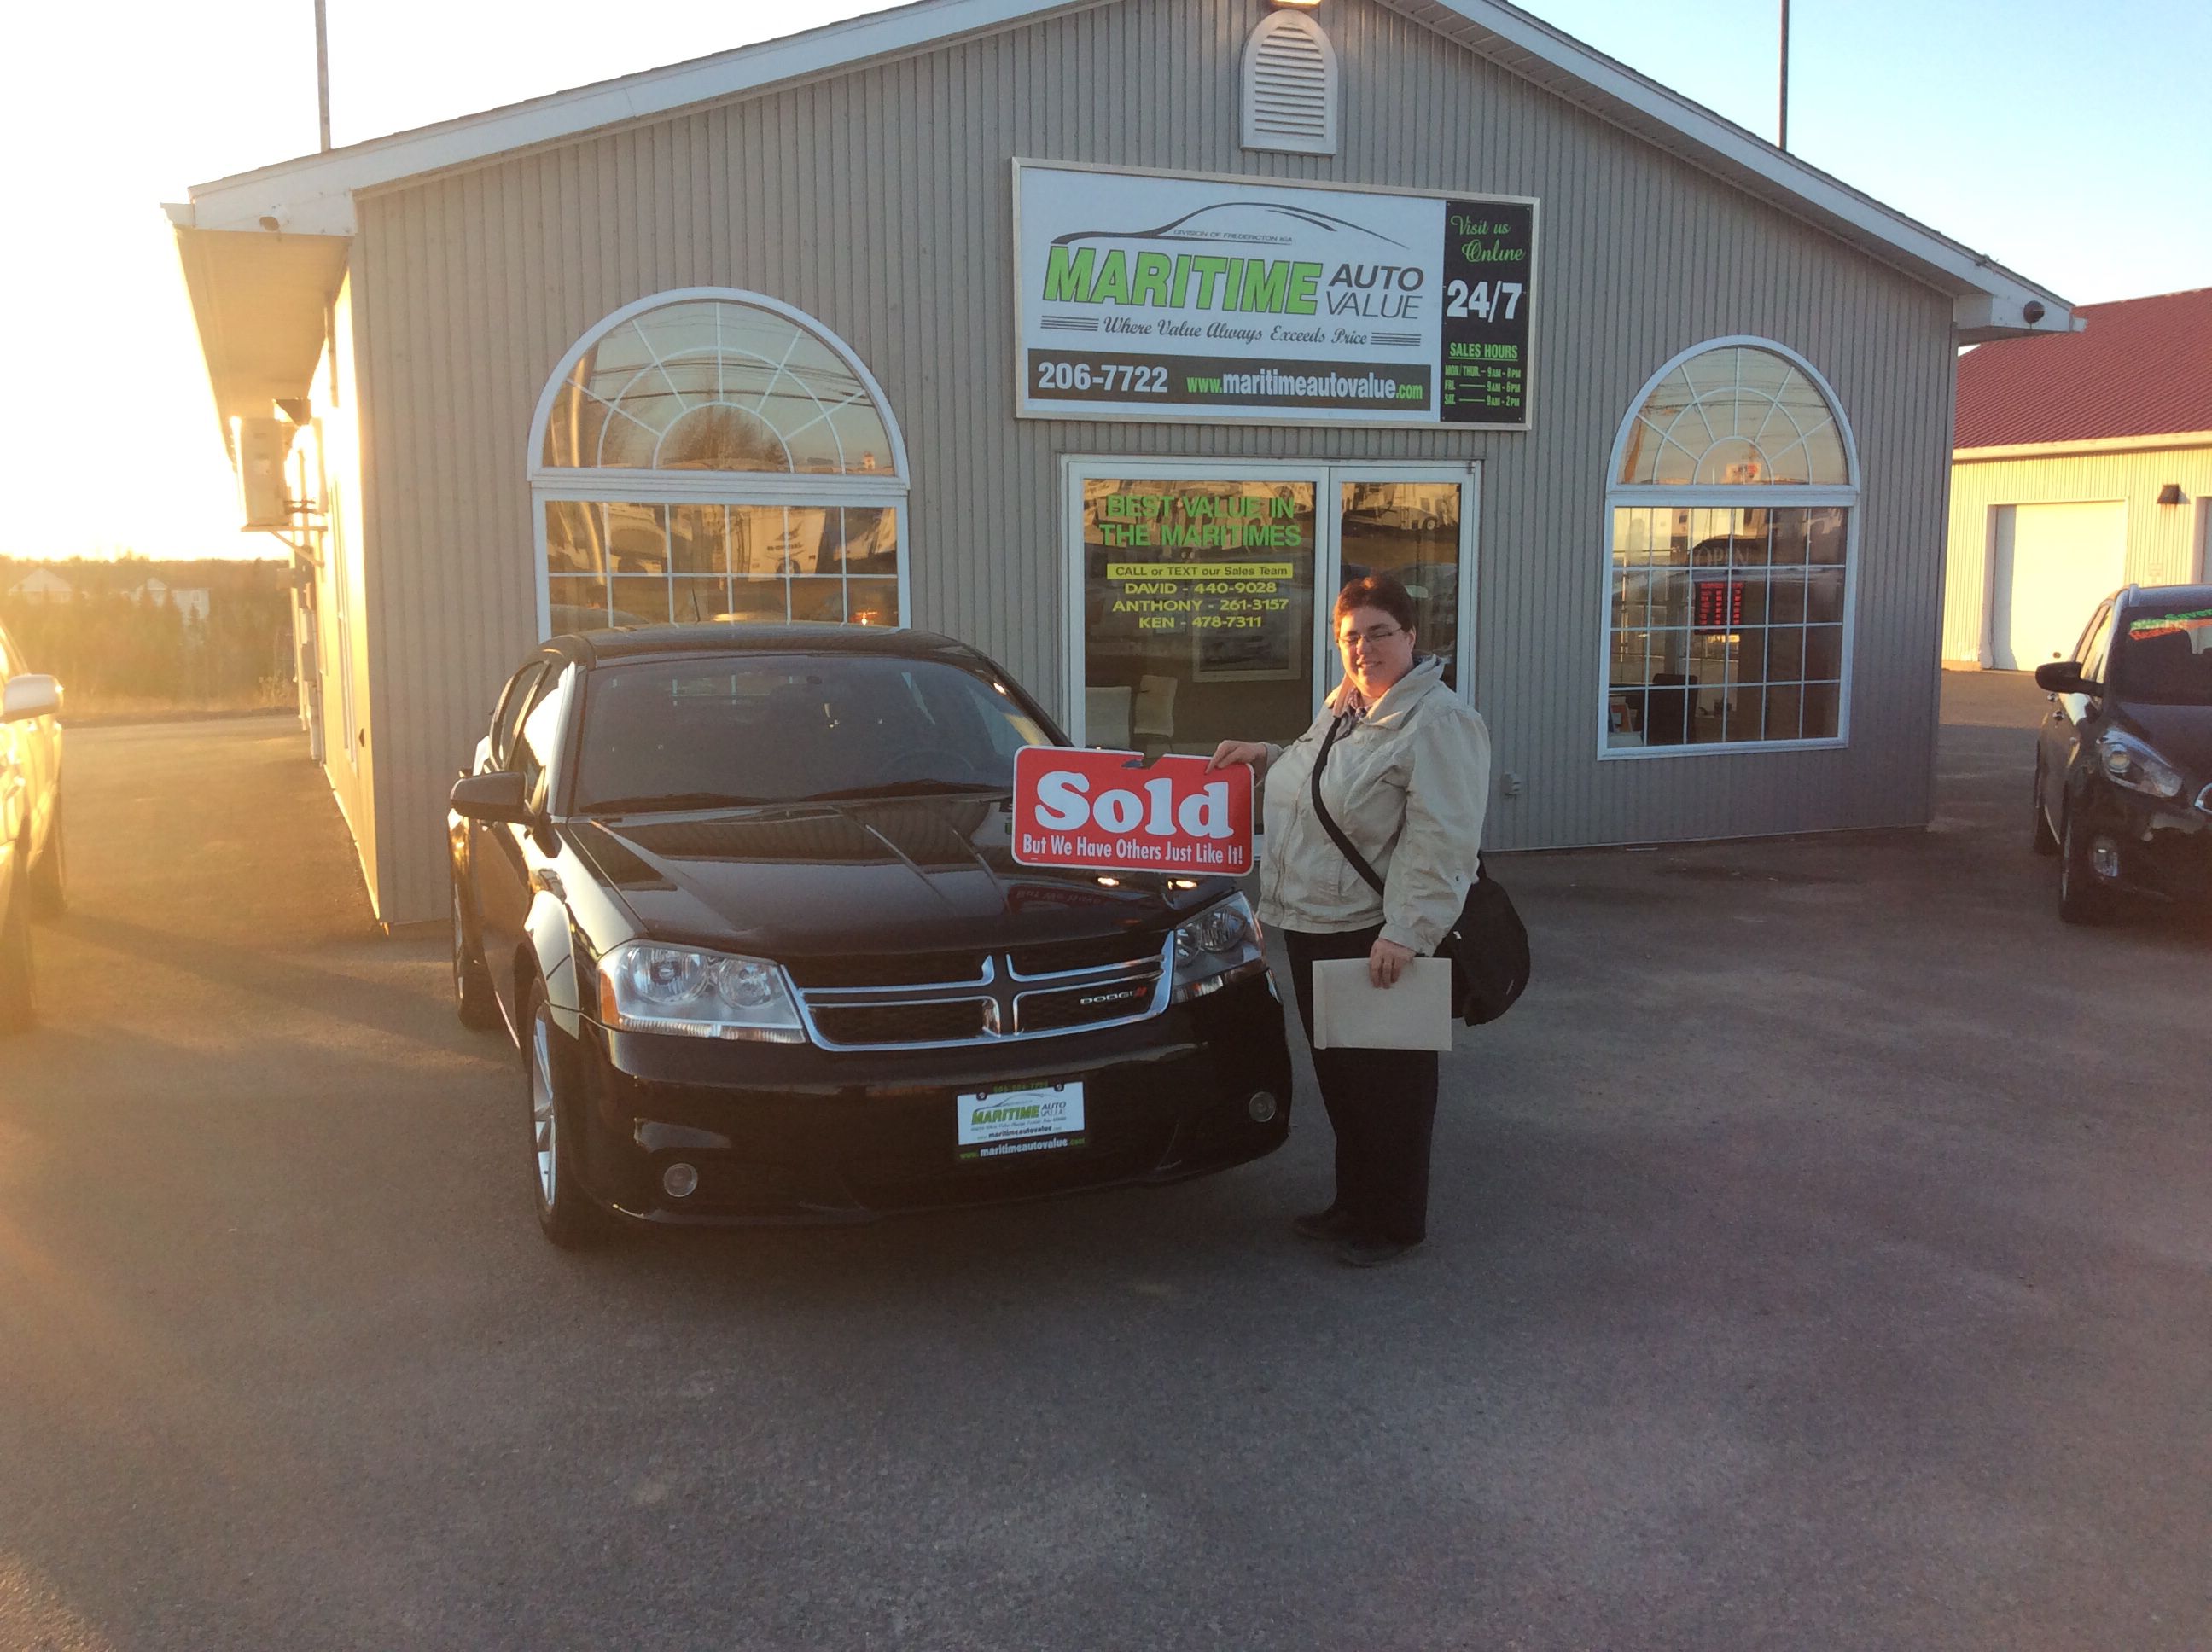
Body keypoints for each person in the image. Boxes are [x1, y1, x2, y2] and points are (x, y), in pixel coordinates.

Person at [1209, 574, 1490, 1268]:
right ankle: (1354, 1202)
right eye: (1350, 637)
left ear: (1411, 636)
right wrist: (1268, 758)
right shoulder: (1346, 706)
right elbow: (1327, 782)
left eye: (1378, 633)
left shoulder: (1437, 721)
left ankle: (1394, 1222)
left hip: (1374, 932)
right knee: (1341, 1079)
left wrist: (1407, 932)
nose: (1363, 648)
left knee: (1389, 1087)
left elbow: (1443, 840)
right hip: (1313, 922)